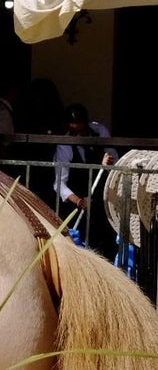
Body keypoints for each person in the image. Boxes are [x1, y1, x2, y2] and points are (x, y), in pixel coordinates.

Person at [55, 102, 119, 258]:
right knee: (79, 244)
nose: (79, 135)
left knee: (106, 241)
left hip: (101, 197)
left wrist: (108, 162)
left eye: (81, 129)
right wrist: (78, 201)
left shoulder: (100, 132)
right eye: (74, 130)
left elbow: (115, 160)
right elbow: (59, 183)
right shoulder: (65, 145)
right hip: (78, 201)